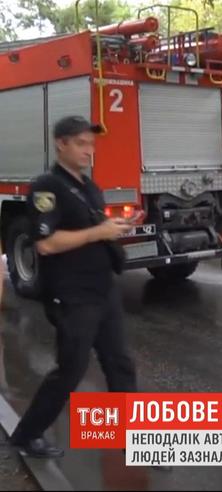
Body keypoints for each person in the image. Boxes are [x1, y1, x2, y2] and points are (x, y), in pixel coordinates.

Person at [9, 116, 138, 458]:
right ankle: (27, 435)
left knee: (120, 364)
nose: (88, 150)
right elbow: (46, 244)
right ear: (61, 144)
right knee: (71, 370)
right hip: (73, 295)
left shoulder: (89, 187)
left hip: (103, 288)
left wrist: (114, 226)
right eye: (81, 143)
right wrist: (99, 232)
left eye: (91, 144)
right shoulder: (46, 188)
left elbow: (93, 228)